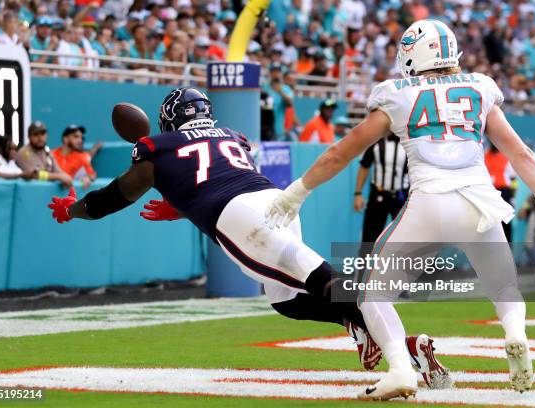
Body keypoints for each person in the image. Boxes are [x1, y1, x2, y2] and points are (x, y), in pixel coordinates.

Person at [48, 87, 450, 387]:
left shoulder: (158, 146)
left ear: (171, 118)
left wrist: (74, 209)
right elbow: (216, 175)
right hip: (274, 202)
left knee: (322, 279)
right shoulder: (231, 136)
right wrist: (182, 202)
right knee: (286, 298)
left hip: (240, 217)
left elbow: (118, 195)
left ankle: (406, 348)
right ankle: (360, 326)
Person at [265, 19, 535, 400]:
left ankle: (399, 369)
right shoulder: (478, 87)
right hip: (480, 204)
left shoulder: (398, 93)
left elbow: (341, 152)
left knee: (372, 293)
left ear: (412, 53)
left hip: (429, 202)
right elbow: (520, 152)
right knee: (505, 285)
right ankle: (515, 335)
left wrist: (296, 192)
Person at [354, 134, 409, 244]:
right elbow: (365, 165)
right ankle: (366, 261)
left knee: (407, 239)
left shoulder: (409, 142)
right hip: (378, 195)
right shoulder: (376, 140)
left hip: (402, 197)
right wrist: (358, 193)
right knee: (369, 240)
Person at [16, 121, 73, 186]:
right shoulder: (24, 152)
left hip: (45, 193)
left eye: (43, 134)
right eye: (36, 134)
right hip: (29, 192)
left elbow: (58, 171)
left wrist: (66, 177)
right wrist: (59, 177)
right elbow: (34, 175)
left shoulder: (47, 151)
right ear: (29, 137)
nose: (40, 138)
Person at [485, 143, 517, 241]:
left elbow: (513, 180)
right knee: (489, 223)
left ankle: (508, 248)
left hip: (504, 193)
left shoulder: (506, 157)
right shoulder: (484, 156)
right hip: (488, 193)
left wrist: (512, 198)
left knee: (505, 222)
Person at [263, 64, 294, 141]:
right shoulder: (264, 87)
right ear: (270, 73)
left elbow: (290, 104)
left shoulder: (285, 89)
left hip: (278, 131)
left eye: (278, 72)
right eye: (274, 71)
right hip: (263, 130)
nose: (276, 74)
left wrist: (280, 91)